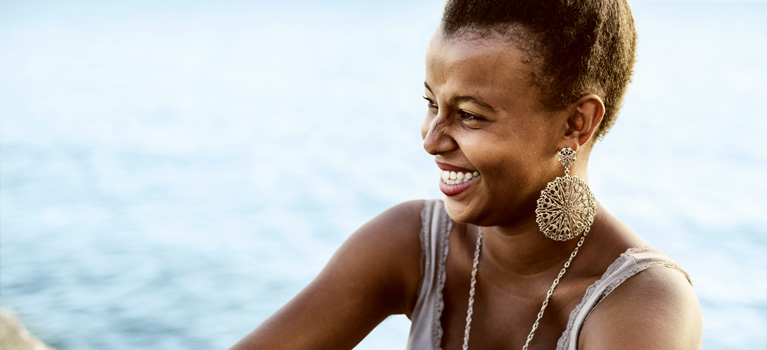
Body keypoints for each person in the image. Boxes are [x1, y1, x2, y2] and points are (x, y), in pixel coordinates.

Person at [230, 0, 703, 349]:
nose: (432, 140)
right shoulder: (409, 243)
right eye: (431, 104)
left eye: (470, 115)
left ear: (575, 123)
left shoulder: (641, 305)